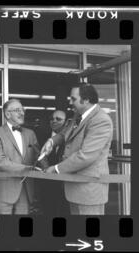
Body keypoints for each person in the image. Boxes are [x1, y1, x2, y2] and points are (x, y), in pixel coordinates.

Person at [41, 83, 113, 215]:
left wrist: (56, 169)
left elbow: (86, 156)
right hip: (75, 188)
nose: (70, 102)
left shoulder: (101, 120)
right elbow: (64, 134)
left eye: (73, 99)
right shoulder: (78, 115)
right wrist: (52, 141)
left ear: (86, 100)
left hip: (88, 191)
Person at [0, 99, 40, 214]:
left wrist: (49, 169)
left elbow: (39, 157)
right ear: (7, 114)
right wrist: (27, 168)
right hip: (3, 190)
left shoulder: (30, 133)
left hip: (26, 190)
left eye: (22, 110)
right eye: (17, 110)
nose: (22, 113)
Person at [39, 110, 70, 216]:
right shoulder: (41, 136)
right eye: (52, 118)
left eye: (58, 119)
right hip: (47, 185)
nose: (54, 121)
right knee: (48, 212)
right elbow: (37, 156)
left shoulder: (71, 138)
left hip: (66, 185)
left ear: (66, 123)